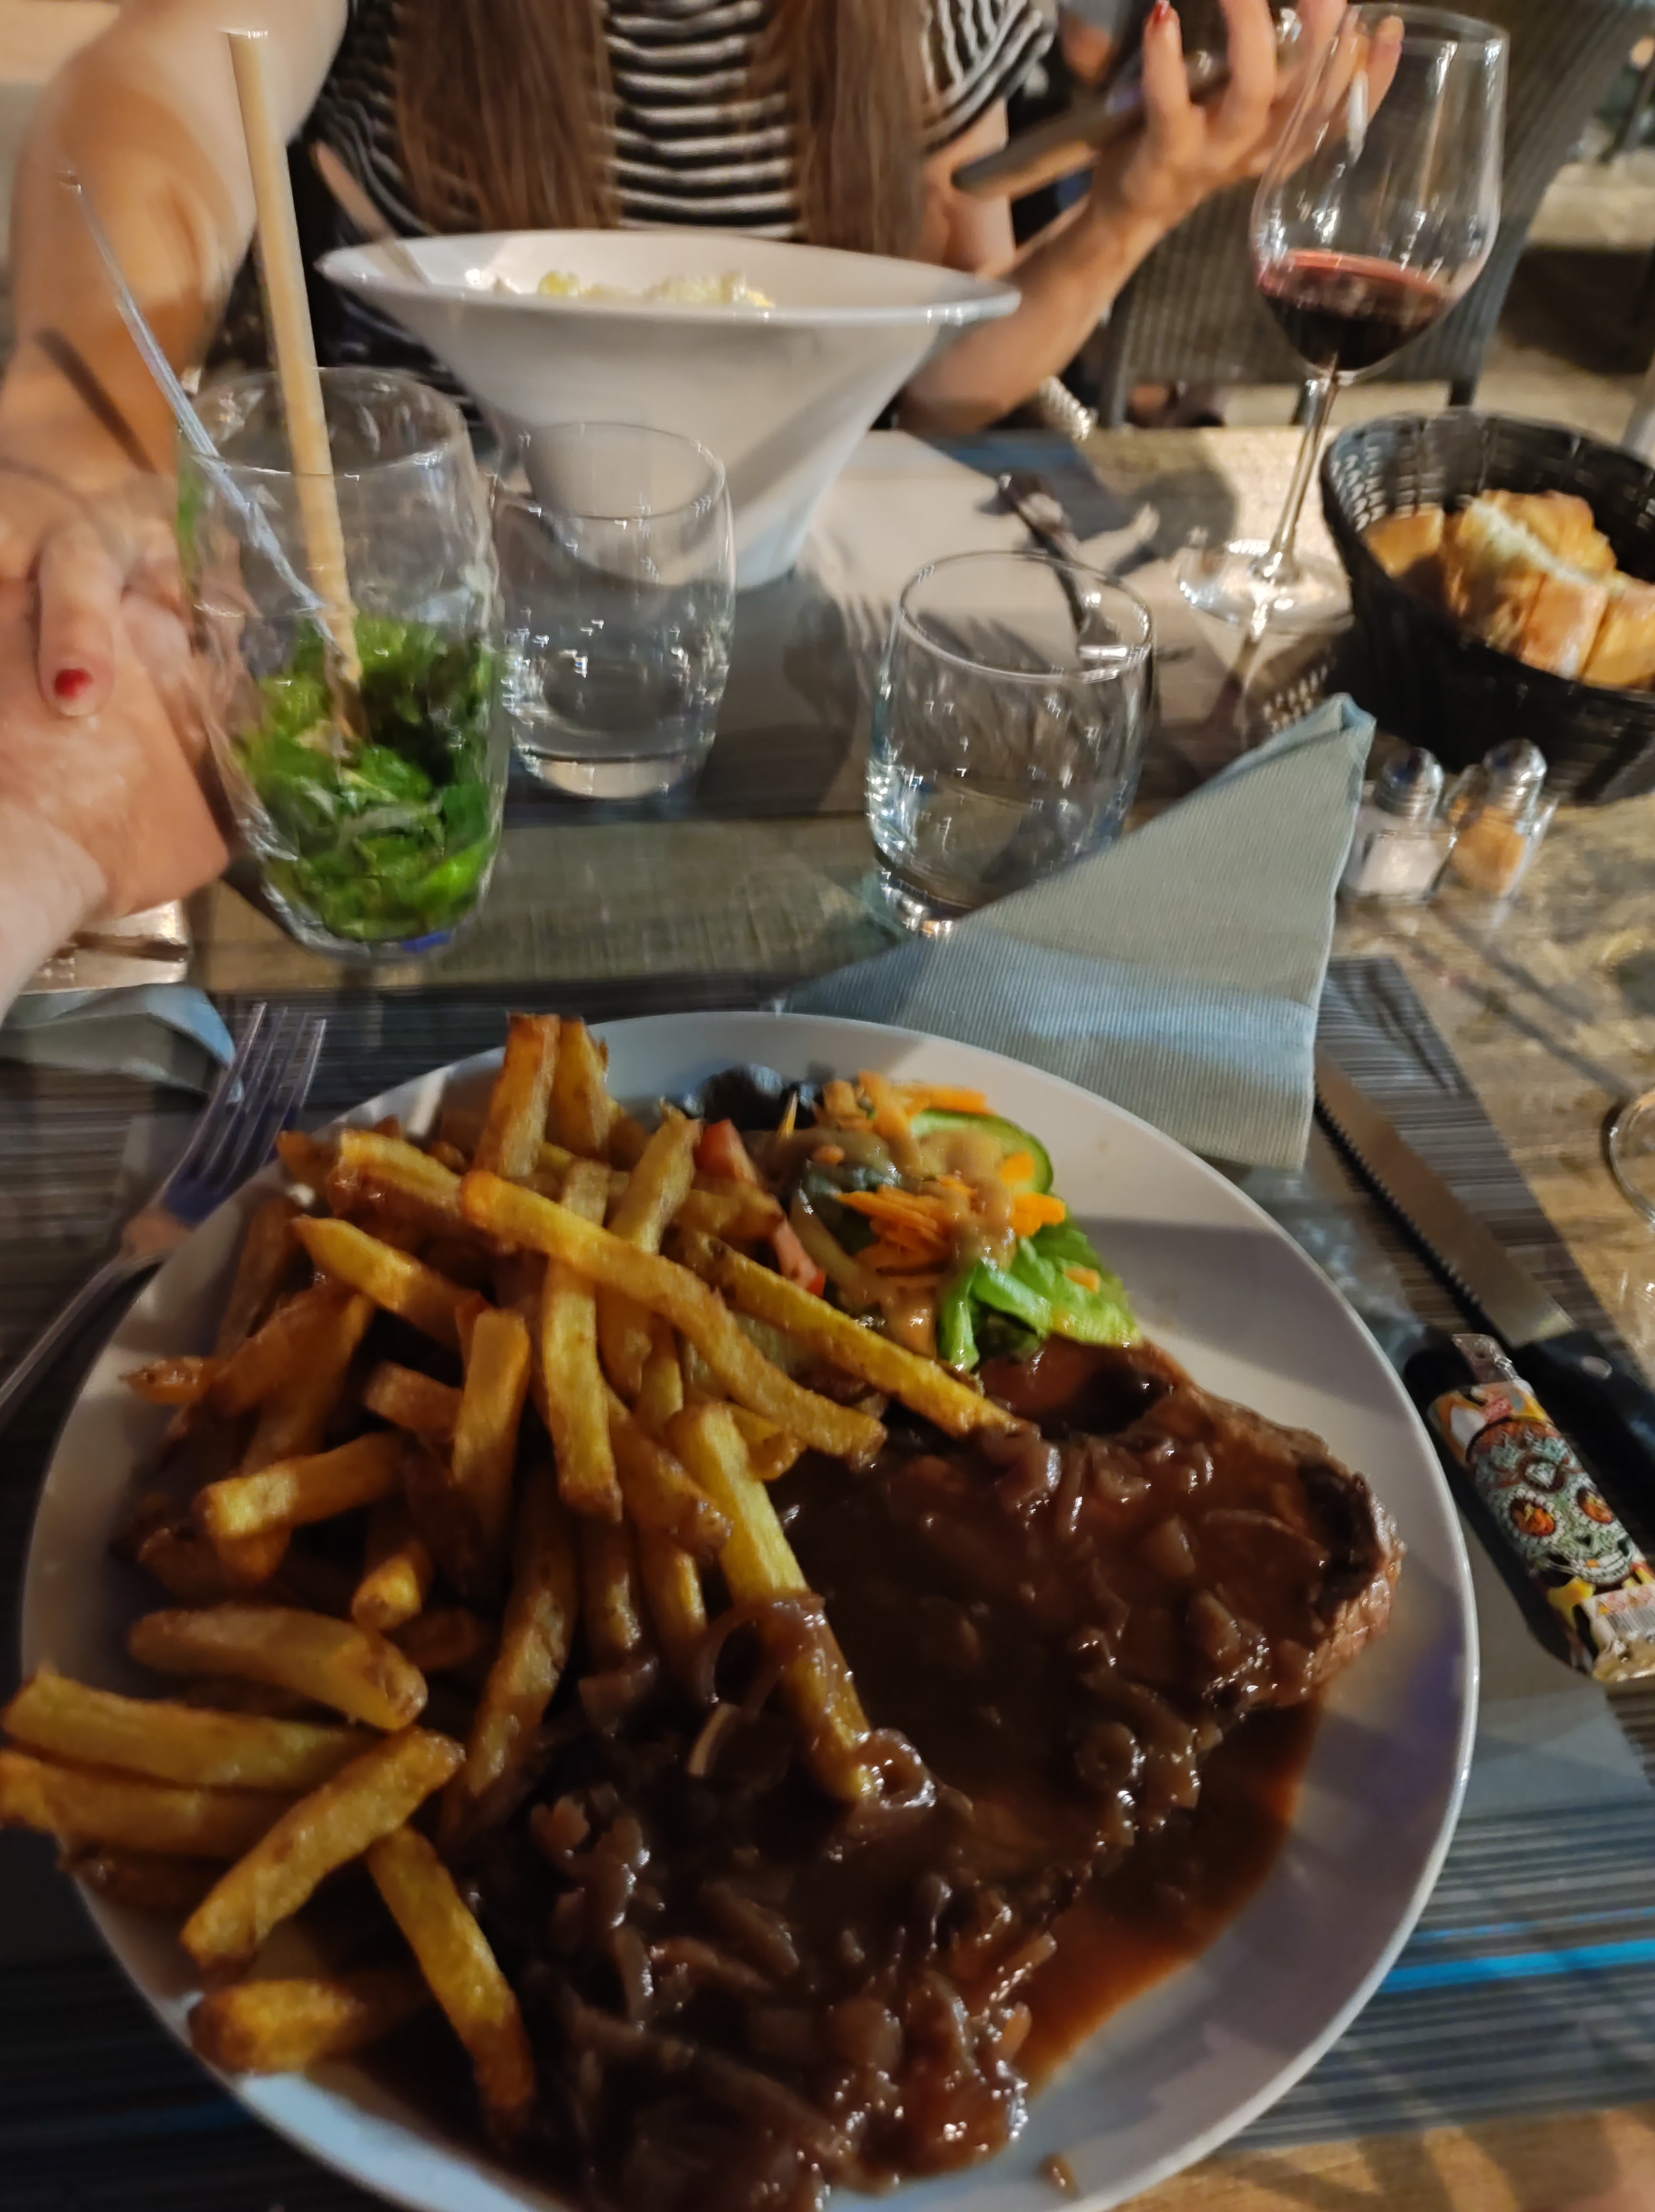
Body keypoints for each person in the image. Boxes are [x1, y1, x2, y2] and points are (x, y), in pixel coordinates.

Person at [0, 0, 1342, 1003]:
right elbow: (158, 82)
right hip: (419, 677)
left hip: (799, 699)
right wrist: (80, 419)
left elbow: (950, 372)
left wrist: (1130, 211)